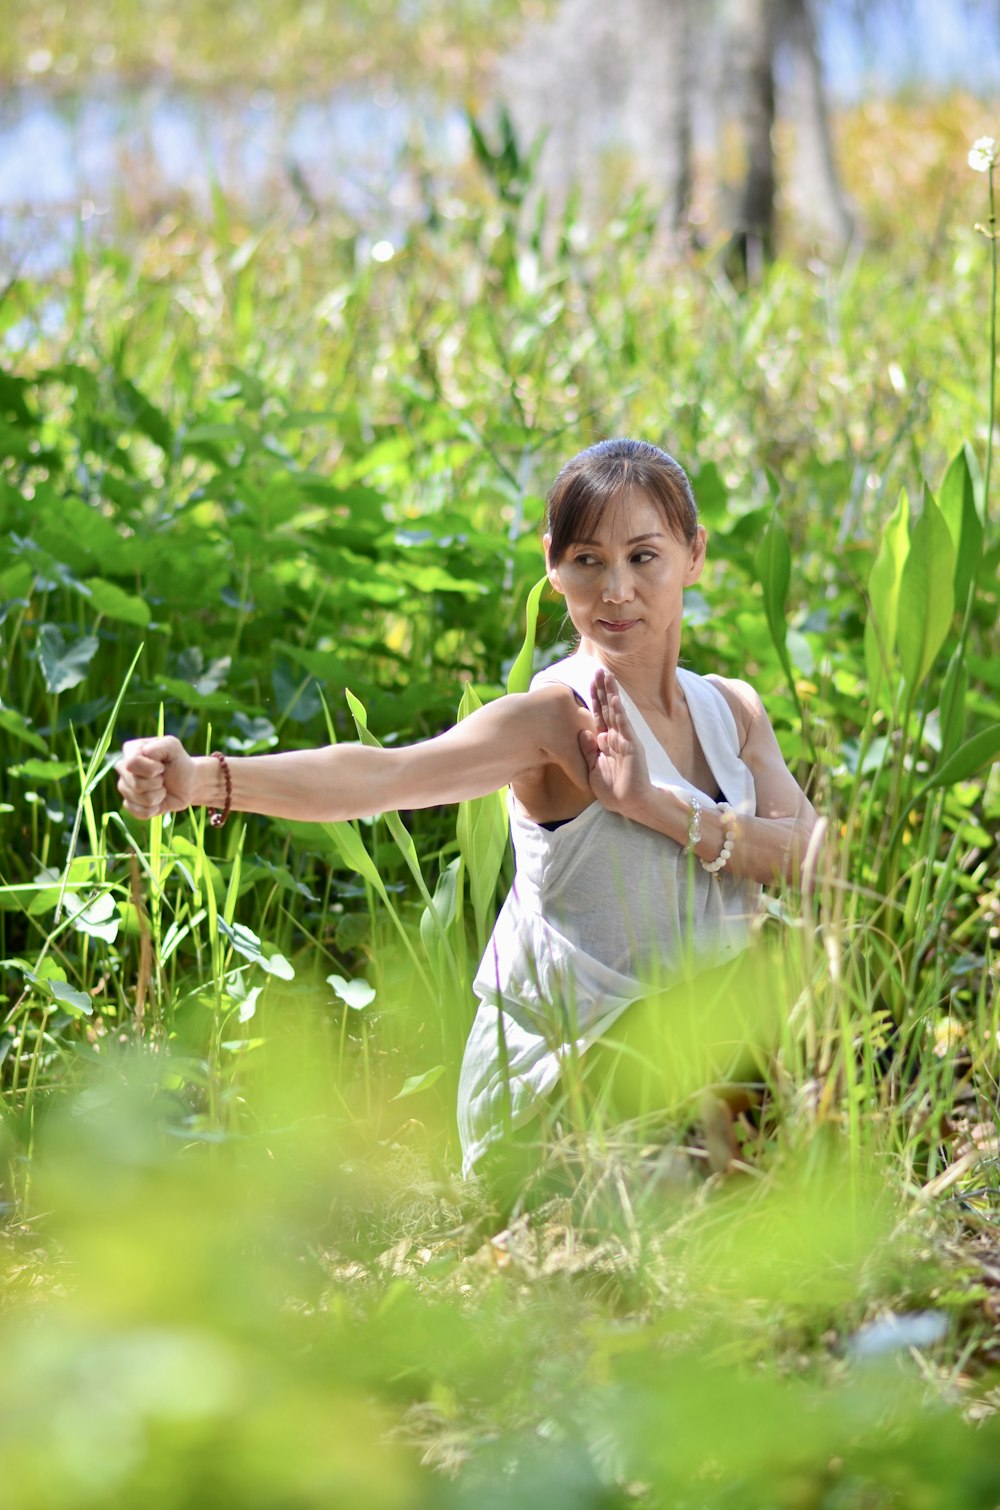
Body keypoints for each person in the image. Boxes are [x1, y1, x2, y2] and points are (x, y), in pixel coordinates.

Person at [116, 438, 818, 1195]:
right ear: (553, 564)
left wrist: (651, 805)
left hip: (699, 1071)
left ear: (694, 554)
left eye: (643, 557)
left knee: (791, 986)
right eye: (587, 560)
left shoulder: (733, 711)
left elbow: (818, 862)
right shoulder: (559, 719)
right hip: (561, 1092)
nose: (615, 590)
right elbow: (388, 776)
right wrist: (203, 780)